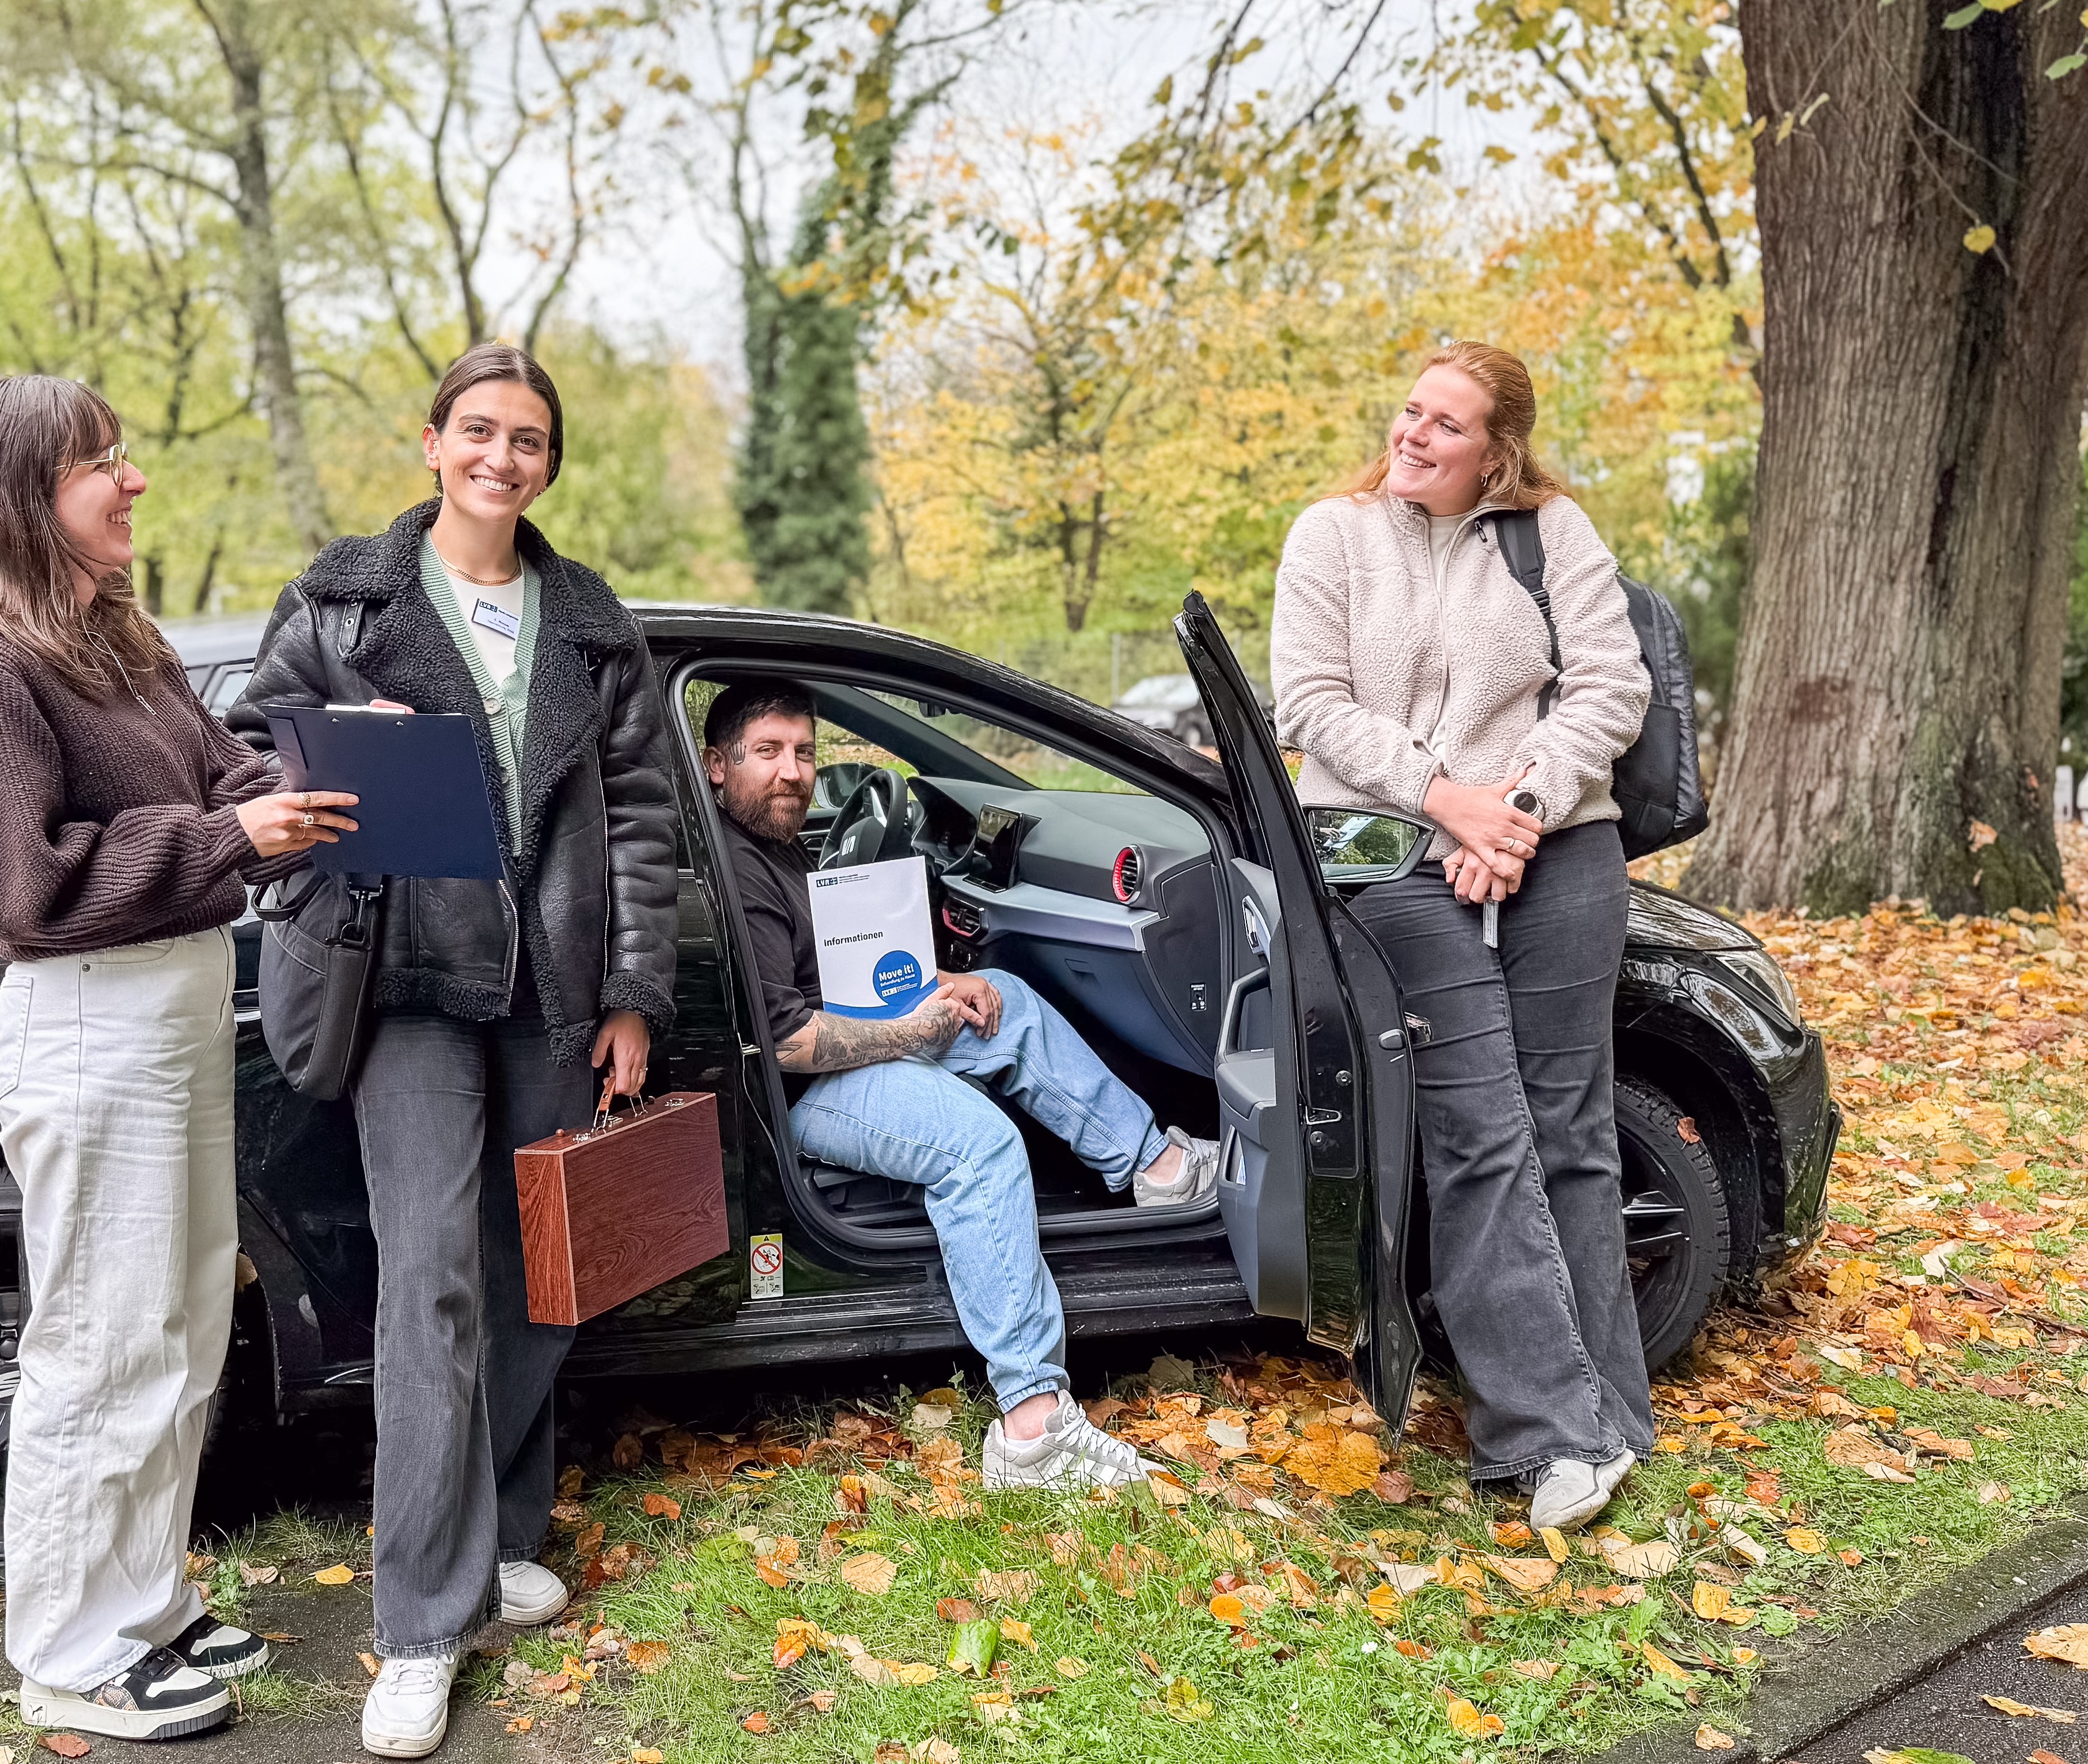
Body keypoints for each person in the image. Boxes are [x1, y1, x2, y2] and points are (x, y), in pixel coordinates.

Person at [230, 344, 678, 1761]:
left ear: (549, 462)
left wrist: (631, 992)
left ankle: (491, 1540)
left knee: (540, 1275)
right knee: (428, 1286)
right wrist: (334, 753)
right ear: (430, 445)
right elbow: (250, 759)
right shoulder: (346, 602)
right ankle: (420, 1626)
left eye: (528, 438)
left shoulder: (594, 624)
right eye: (477, 431)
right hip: (410, 988)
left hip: (553, 993)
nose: (502, 456)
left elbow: (649, 819)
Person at [0, 375, 359, 1740]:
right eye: (103, 462)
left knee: (171, 1328)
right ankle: (63, 1647)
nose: (133, 482)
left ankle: (146, 1603)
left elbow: (215, 768)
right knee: (96, 1342)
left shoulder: (111, 634)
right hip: (88, 1018)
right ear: (22, 496)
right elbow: (26, 890)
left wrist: (302, 786)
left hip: (167, 1010)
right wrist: (233, 843)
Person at [1269, 340, 1653, 1532]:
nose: (1415, 434)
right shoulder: (1329, 535)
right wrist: (1450, 801)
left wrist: (1518, 812)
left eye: (1446, 423)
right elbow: (1310, 703)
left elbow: (1611, 686)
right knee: (1480, 1125)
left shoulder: (1556, 537)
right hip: (1391, 851)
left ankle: (1610, 1418)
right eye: (1409, 410)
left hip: (1553, 845)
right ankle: (1543, 1437)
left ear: (1499, 448)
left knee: (1571, 1131)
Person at [700, 677, 1223, 1490]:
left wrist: (943, 983)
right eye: (767, 753)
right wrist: (915, 1030)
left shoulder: (778, 840)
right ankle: (1033, 1431)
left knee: (1000, 1002)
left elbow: (831, 974)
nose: (792, 772)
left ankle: (1156, 1171)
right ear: (715, 766)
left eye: (803, 752)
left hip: (840, 1045)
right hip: (799, 1097)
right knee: (977, 1147)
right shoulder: (734, 872)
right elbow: (790, 1041)